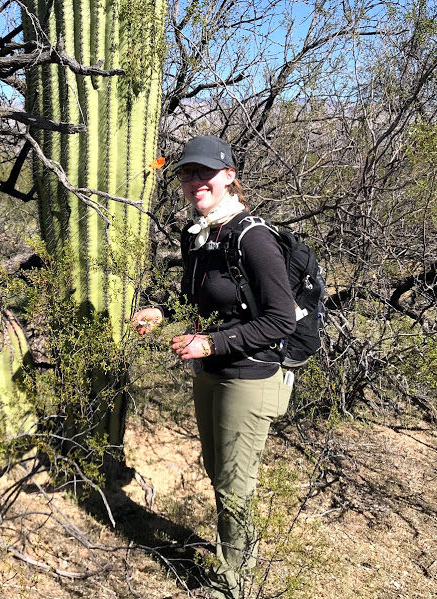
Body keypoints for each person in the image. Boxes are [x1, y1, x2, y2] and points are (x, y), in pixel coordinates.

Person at [130, 135, 296, 599]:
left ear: (229, 175)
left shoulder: (253, 237)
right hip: (213, 370)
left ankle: (234, 582)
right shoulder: (199, 235)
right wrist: (160, 311)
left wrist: (213, 343)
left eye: (204, 171)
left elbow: (281, 319)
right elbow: (193, 296)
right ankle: (234, 557)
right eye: (186, 173)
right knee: (217, 468)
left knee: (235, 483)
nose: (194, 180)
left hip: (250, 374)